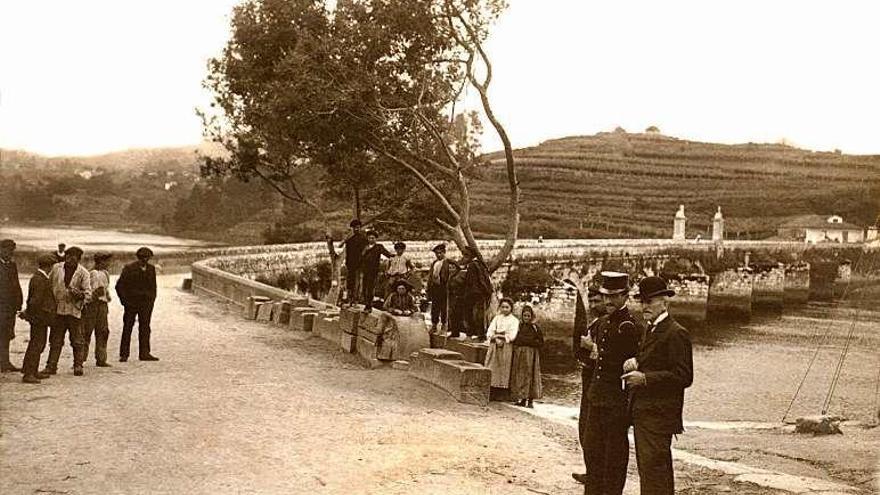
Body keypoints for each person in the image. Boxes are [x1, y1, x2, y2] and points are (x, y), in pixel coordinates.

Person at [622, 276, 694, 495]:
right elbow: (656, 360)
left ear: (665, 302)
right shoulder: (650, 328)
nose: (645, 306)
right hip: (645, 412)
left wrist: (645, 378)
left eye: (649, 301)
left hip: (659, 415)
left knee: (655, 470)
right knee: (650, 469)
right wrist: (637, 361)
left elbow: (684, 376)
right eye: (642, 301)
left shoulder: (676, 333)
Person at [581, 271, 641, 495]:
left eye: (614, 296)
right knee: (592, 452)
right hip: (597, 397)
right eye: (605, 296)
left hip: (616, 403)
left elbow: (640, 358)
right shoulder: (604, 322)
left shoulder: (629, 326)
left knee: (613, 459)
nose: (608, 301)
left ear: (625, 296)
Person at [570, 278, 602, 485]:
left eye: (597, 299)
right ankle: (591, 470)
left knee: (594, 430)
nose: (593, 303)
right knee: (585, 427)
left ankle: (597, 474)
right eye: (591, 299)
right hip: (589, 379)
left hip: (600, 384)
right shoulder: (596, 322)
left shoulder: (611, 324)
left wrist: (591, 348)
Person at [43, 246, 92, 376]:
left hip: (74, 312)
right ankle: (51, 366)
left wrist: (79, 294)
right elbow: (48, 285)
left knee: (77, 340)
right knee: (55, 340)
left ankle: (78, 365)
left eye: (74, 257)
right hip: (58, 311)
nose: (70, 259)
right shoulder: (56, 268)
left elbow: (88, 294)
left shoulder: (84, 273)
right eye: (68, 256)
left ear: (79, 259)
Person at [19, 254, 57, 383]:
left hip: (38, 318)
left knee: (37, 344)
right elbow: (35, 301)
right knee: (37, 345)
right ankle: (29, 373)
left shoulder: (39, 277)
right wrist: (30, 314)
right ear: (49, 266)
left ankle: (31, 371)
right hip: (39, 318)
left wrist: (28, 313)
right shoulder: (40, 279)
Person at [116, 247, 158, 362]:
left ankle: (144, 353)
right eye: (143, 258)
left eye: (147, 258)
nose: (145, 260)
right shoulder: (129, 268)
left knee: (145, 328)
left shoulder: (151, 269)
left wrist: (151, 301)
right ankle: (124, 354)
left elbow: (153, 288)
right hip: (131, 304)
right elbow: (119, 286)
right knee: (128, 327)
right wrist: (125, 302)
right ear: (138, 257)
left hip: (146, 305)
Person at [82, 252, 113, 367]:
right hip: (92, 306)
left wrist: (107, 294)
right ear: (101, 262)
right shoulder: (92, 273)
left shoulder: (105, 273)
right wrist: (95, 295)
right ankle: (80, 359)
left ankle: (101, 358)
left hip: (102, 305)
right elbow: (89, 291)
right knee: (87, 331)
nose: (109, 264)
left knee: (103, 331)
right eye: (107, 261)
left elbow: (105, 289)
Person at [510, 305, 543, 408]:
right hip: (520, 354)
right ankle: (522, 399)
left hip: (531, 355)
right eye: (525, 316)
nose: (527, 318)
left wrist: (529, 342)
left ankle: (531, 401)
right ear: (522, 316)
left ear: (532, 316)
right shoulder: (519, 326)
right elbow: (515, 338)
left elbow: (540, 342)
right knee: (521, 375)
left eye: (528, 316)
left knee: (531, 376)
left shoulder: (535, 328)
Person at [483, 297, 519, 394]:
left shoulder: (514, 320)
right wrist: (494, 337)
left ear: (511, 308)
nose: (504, 309)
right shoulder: (497, 318)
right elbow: (490, 330)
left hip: (506, 346)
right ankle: (491, 388)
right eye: (502, 307)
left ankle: (501, 390)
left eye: (507, 307)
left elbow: (512, 335)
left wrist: (500, 336)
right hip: (494, 344)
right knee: (492, 365)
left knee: (503, 367)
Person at [459, 246, 493, 340]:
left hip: (475, 294)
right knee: (477, 315)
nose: (463, 258)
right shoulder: (477, 264)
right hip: (478, 294)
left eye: (466, 256)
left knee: (475, 315)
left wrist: (468, 294)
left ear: (470, 256)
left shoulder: (472, 266)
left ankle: (478, 336)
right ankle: (478, 335)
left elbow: (472, 282)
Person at [0, 239, 23, 372]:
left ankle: (5, 362)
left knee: (7, 334)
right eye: (8, 250)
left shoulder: (12, 266)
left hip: (10, 308)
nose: (10, 253)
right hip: (1, 307)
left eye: (12, 251)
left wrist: (18, 302)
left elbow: (16, 285)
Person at [359, 230, 394, 312]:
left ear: (376, 239)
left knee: (370, 289)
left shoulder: (379, 247)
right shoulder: (364, 247)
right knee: (364, 288)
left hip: (373, 271)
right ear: (367, 238)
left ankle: (369, 306)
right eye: (370, 238)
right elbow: (360, 258)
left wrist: (396, 256)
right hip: (365, 271)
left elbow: (387, 254)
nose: (371, 239)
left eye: (373, 238)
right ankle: (365, 304)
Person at [426, 243, 457, 335]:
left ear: (444, 252)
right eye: (437, 253)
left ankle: (444, 326)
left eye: (440, 253)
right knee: (435, 307)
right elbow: (430, 276)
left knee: (444, 307)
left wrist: (451, 281)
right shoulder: (434, 263)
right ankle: (434, 325)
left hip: (444, 287)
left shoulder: (449, 262)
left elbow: (458, 269)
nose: (439, 255)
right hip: (435, 288)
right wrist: (428, 288)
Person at [341, 219, 368, 305]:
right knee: (350, 282)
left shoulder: (364, 239)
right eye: (355, 228)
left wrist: (363, 262)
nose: (357, 229)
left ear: (360, 228)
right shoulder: (350, 240)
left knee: (358, 282)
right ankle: (350, 299)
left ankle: (357, 299)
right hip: (351, 264)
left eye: (358, 227)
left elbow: (365, 252)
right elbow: (347, 253)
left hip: (360, 264)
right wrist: (347, 263)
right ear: (352, 229)